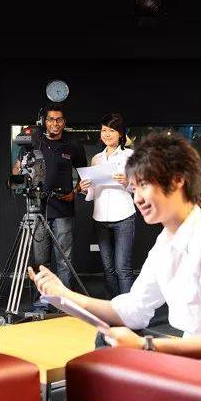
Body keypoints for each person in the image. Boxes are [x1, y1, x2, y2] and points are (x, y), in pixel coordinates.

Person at [28, 131, 201, 375]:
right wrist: (64, 295)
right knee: (107, 339)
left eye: (143, 185)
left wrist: (145, 346)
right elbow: (132, 311)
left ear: (177, 180)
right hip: (199, 369)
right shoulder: (165, 243)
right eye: (133, 188)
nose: (137, 198)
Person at [12, 104, 87, 291]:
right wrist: (18, 174)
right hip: (37, 209)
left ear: (64, 122)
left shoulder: (73, 146)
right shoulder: (34, 144)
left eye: (59, 119)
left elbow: (86, 175)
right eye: (51, 119)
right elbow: (17, 170)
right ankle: (43, 299)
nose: (55, 123)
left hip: (63, 210)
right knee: (40, 260)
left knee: (64, 260)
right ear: (44, 122)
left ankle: (65, 299)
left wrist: (75, 192)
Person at [79, 113, 135, 298]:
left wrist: (127, 182)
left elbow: (140, 187)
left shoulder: (130, 156)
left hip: (124, 216)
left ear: (120, 133)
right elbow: (93, 191)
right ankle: (112, 305)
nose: (107, 134)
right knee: (108, 268)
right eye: (104, 130)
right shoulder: (96, 159)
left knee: (122, 268)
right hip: (100, 217)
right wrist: (85, 188)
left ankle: (127, 309)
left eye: (112, 130)